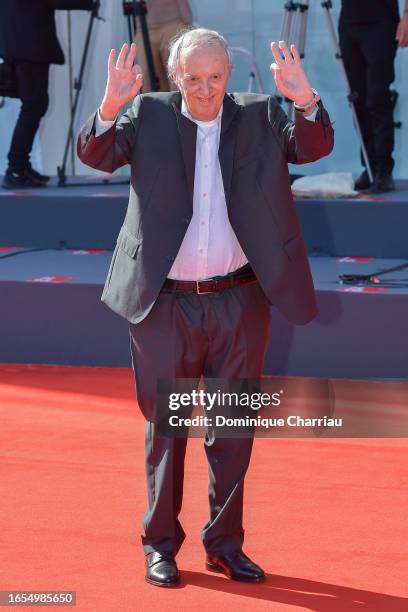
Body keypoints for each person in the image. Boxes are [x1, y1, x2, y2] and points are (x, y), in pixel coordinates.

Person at [77, 28, 334, 587]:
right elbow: (97, 155)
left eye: (215, 77)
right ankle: (161, 544)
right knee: (166, 429)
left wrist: (305, 98)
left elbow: (313, 147)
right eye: (193, 78)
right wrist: (108, 106)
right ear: (177, 77)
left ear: (229, 75)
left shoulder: (263, 114)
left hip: (239, 300)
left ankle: (224, 544)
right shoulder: (146, 115)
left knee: (233, 429)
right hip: (165, 302)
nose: (205, 89)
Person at [0, 0, 95, 189]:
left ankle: (19, 165)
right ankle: (16, 167)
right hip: (29, 45)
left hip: (17, 43)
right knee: (33, 106)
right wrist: (88, 3)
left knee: (34, 105)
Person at [339, 0, 408, 193]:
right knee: (357, 99)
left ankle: (383, 169)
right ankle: (369, 167)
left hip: (381, 22)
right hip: (349, 21)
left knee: (377, 97)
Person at [134, 0, 193, 92]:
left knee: (176, 75)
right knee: (146, 78)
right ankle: (156, 105)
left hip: (173, 22)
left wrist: (187, 24)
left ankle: (178, 105)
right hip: (145, 27)